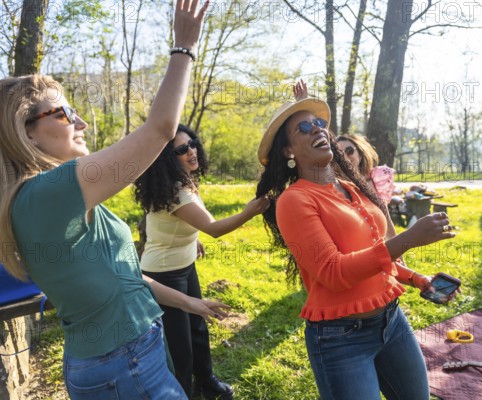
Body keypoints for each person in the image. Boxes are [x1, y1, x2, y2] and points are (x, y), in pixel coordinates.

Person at [0, 1, 230, 399]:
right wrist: (184, 47)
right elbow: (161, 129)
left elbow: (125, 278)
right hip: (124, 367)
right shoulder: (47, 193)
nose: (81, 122)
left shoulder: (49, 197)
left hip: (126, 358)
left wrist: (189, 304)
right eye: (64, 111)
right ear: (27, 132)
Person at [255, 97, 458, 400]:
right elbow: (334, 272)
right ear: (288, 151)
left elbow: (374, 254)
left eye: (321, 124)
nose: (317, 130)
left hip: (392, 323)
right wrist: (409, 238)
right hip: (341, 339)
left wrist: (417, 278)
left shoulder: (350, 187)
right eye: (305, 128)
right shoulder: (294, 201)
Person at [133, 123, 269, 399]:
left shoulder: (184, 181)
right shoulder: (173, 191)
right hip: (162, 275)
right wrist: (249, 212)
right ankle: (182, 392)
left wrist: (191, 238)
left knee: (197, 328)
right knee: (179, 345)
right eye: (182, 149)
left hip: (184, 266)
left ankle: (206, 380)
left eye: (192, 143)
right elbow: (214, 228)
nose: (191, 150)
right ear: (167, 159)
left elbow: (175, 221)